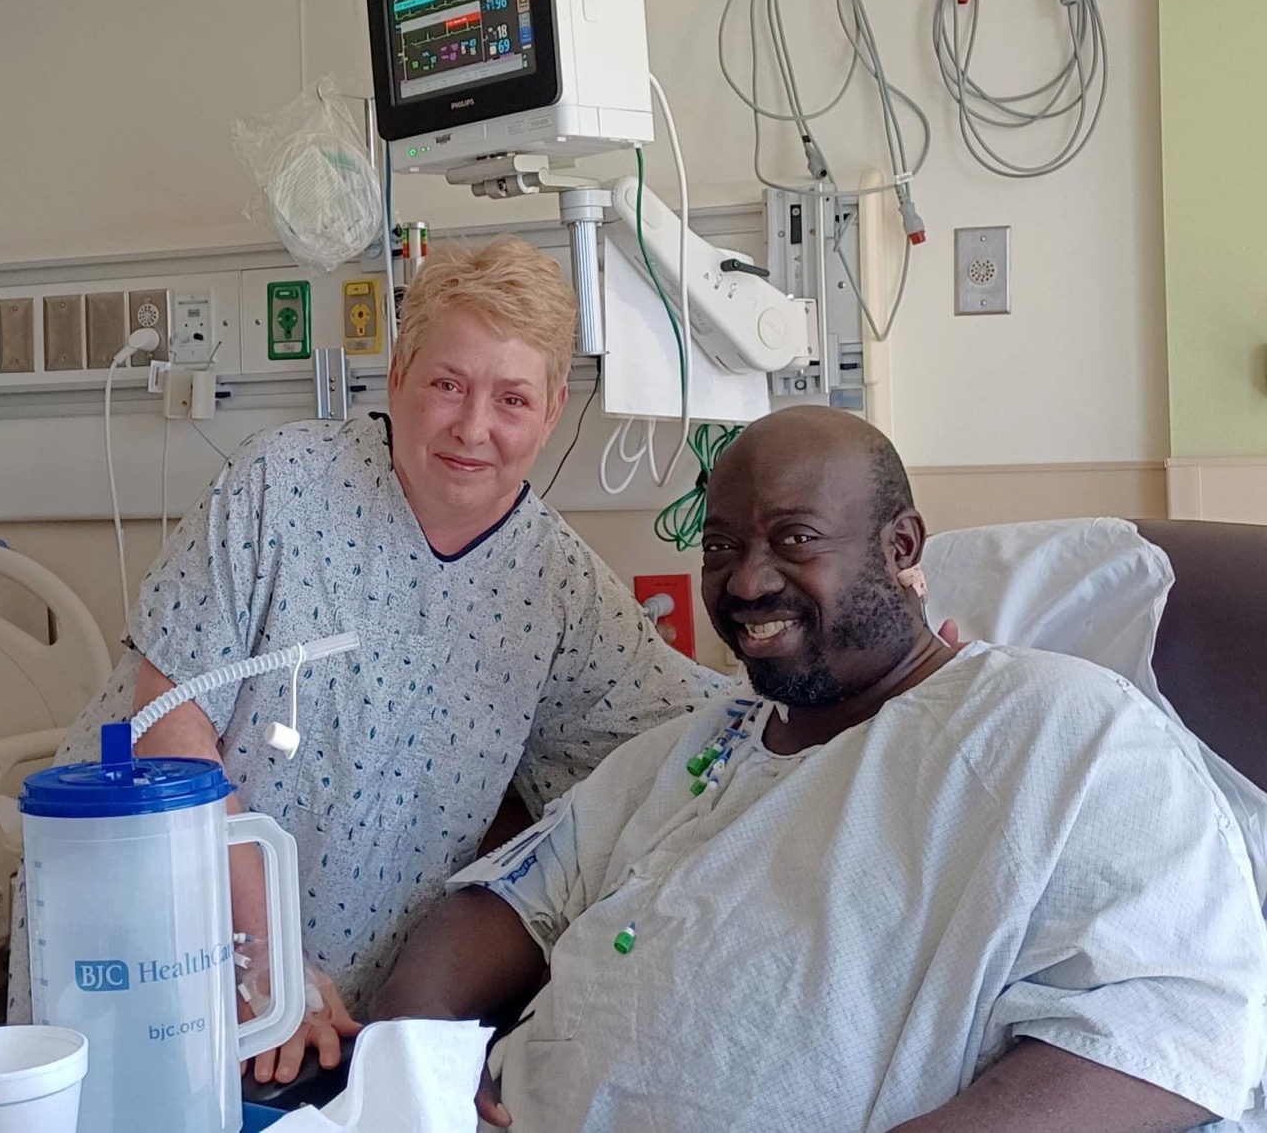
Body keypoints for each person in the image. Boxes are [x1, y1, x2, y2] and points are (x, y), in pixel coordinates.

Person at [373, 406, 1267, 1132]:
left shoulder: (1052, 725)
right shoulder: (698, 742)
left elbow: (1178, 1021)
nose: (746, 581)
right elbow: (504, 899)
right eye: (720, 547)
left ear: (903, 549)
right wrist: (408, 1080)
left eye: (794, 539)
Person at [11, 238, 727, 1082]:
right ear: (397, 375)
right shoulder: (282, 488)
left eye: (512, 398)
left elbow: (702, 737)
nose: (473, 427)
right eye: (447, 385)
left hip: (339, 1013)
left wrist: (897, 682)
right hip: (146, 934)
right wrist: (258, 958)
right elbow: (171, 722)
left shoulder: (560, 591)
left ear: (553, 410)